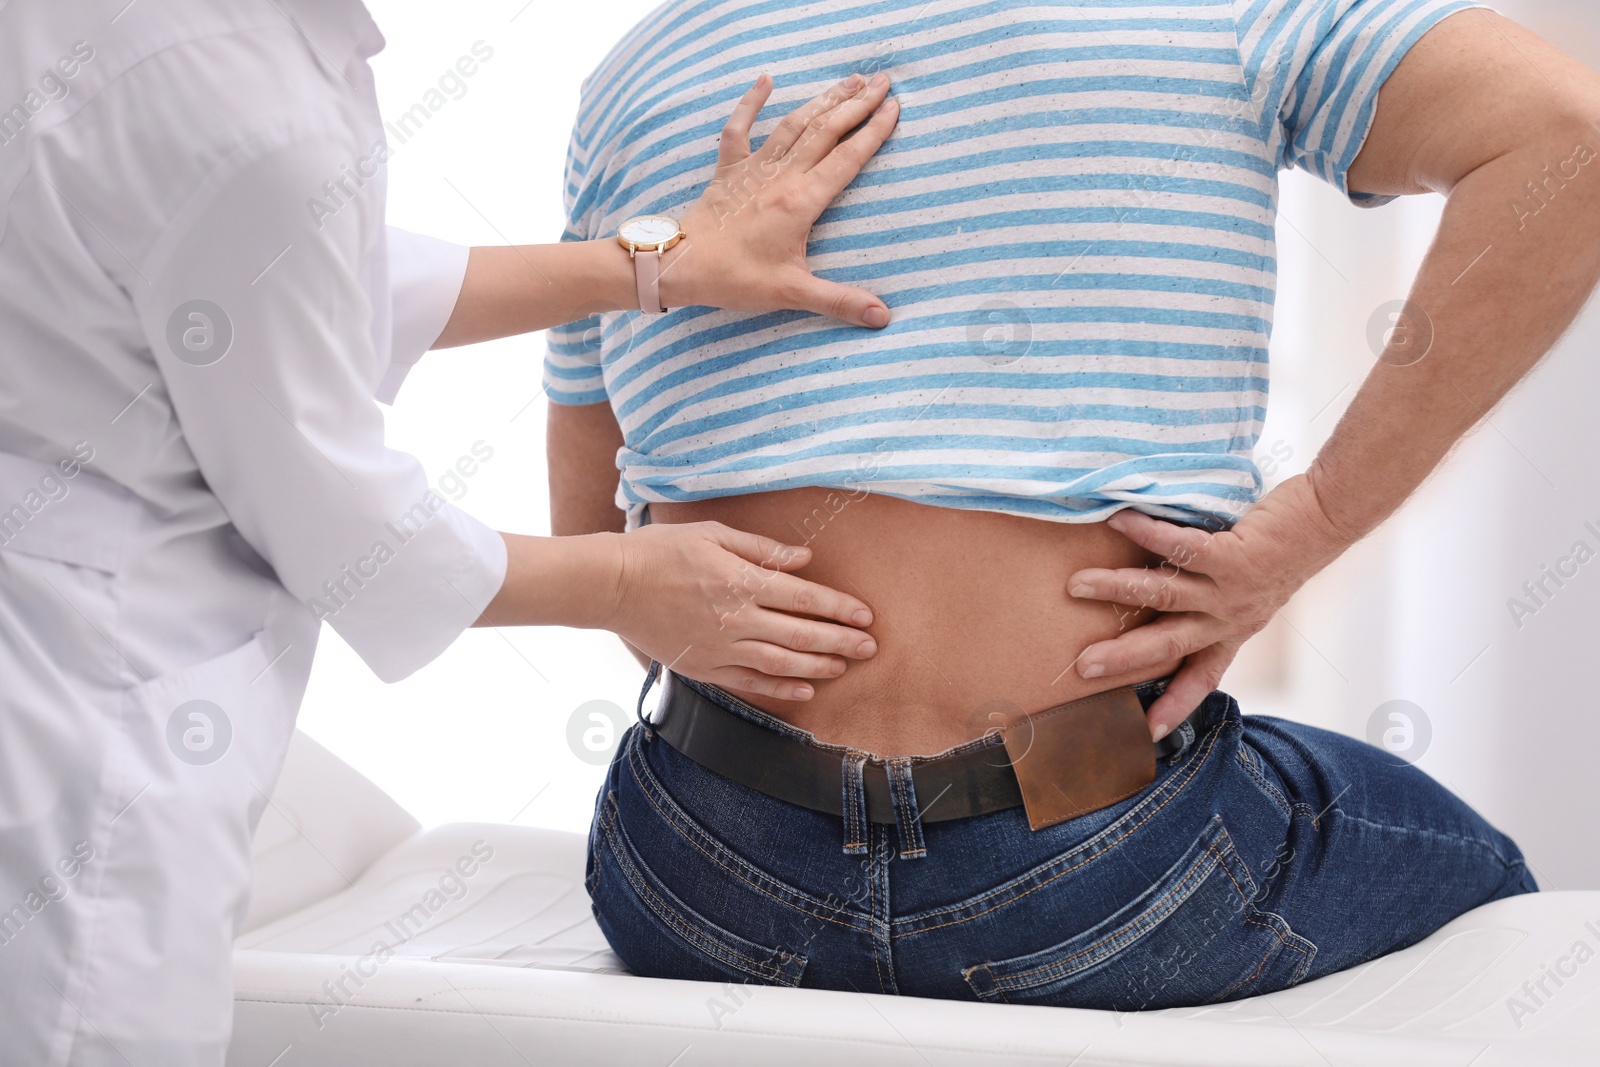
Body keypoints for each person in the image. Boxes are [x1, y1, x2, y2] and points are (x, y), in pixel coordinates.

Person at [548, 0, 1600, 1007]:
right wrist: (1313, 517)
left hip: (694, 866)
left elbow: (589, 526)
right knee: (1482, 881)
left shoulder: (638, 69)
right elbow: (1570, 137)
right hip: (1099, 861)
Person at [0, 1, 900, 1062]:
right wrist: (622, 583)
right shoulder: (245, 106)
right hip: (83, 728)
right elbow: (344, 530)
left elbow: (295, 279)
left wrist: (654, 264)